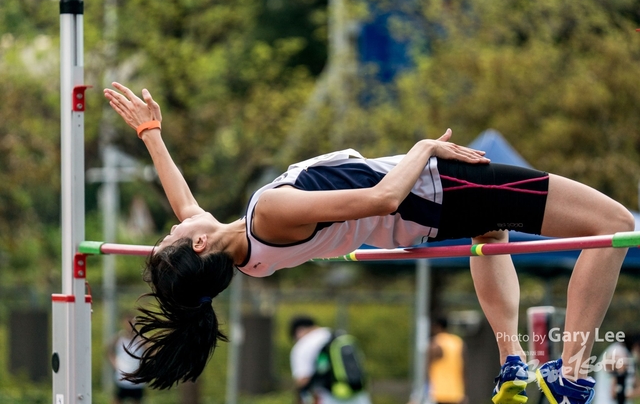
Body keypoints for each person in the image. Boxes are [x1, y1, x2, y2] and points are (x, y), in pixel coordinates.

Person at [103, 82, 635, 404]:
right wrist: (424, 147)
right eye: (170, 237)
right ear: (197, 249)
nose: (173, 226)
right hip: (440, 189)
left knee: (490, 236)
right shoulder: (269, 212)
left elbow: (187, 209)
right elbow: (383, 197)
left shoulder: (249, 259)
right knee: (611, 227)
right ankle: (570, 377)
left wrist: (151, 134)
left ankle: (513, 362)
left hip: (425, 221)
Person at [289, 316, 371, 404]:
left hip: (329, 397)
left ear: (299, 331)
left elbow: (303, 379)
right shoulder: (339, 335)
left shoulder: (303, 345)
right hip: (357, 393)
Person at [107, 313, 146, 404]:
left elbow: (152, 351)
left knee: (137, 401)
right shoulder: (118, 337)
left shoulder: (141, 338)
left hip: (137, 378)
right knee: (117, 400)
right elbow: (109, 351)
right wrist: (115, 364)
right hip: (122, 377)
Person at [427, 317, 466, 404]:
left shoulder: (436, 343)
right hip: (457, 391)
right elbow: (463, 368)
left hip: (439, 392)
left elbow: (427, 366)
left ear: (437, 327)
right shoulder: (458, 342)